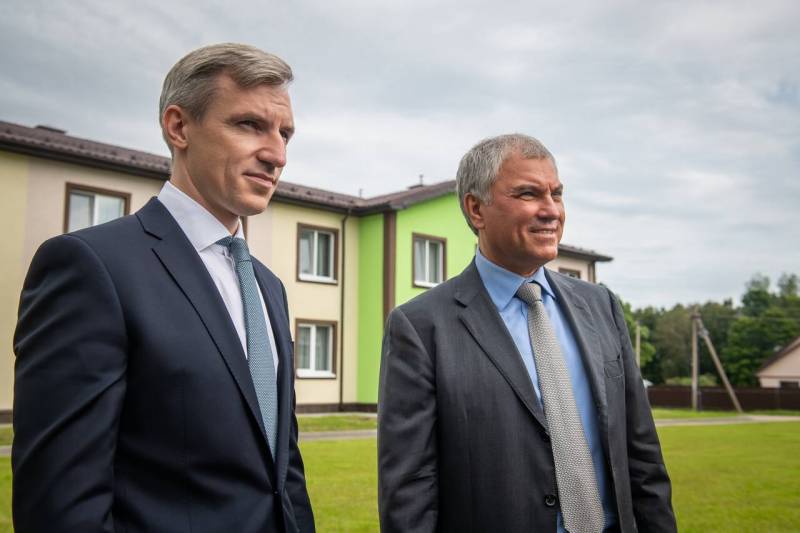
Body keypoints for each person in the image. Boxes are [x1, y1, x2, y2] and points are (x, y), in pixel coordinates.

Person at [13, 43, 315, 533]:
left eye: (285, 134)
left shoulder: (268, 287)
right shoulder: (92, 267)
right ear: (179, 127)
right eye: (249, 124)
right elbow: (60, 503)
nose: (276, 155)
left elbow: (284, 469)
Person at [378, 134, 676, 533]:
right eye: (528, 194)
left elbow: (643, 457)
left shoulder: (601, 306)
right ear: (476, 209)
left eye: (557, 194)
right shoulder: (420, 327)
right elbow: (409, 489)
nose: (551, 210)